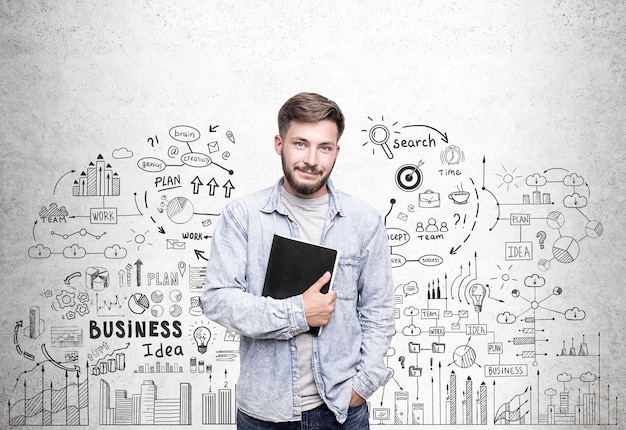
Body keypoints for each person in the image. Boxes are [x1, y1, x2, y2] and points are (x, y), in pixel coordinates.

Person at [202, 92, 395, 429]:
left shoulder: (364, 221)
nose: (312, 159)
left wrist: (362, 387)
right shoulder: (243, 217)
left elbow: (378, 310)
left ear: (337, 151)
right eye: (300, 144)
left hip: (342, 412)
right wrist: (298, 313)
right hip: (264, 412)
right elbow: (218, 300)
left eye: (324, 147)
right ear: (280, 144)